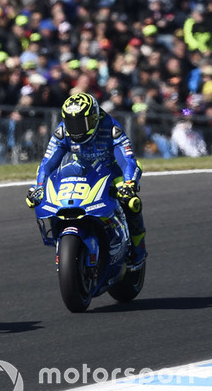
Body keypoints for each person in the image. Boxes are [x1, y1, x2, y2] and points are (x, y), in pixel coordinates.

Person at [25, 92, 147, 265]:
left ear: (95, 117)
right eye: (71, 123)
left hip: (112, 171)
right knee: (47, 190)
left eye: (82, 122)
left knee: (131, 202)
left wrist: (128, 184)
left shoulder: (111, 128)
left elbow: (127, 161)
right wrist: (38, 186)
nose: (77, 129)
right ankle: (63, 233)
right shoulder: (62, 131)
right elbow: (47, 163)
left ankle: (137, 248)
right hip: (80, 169)